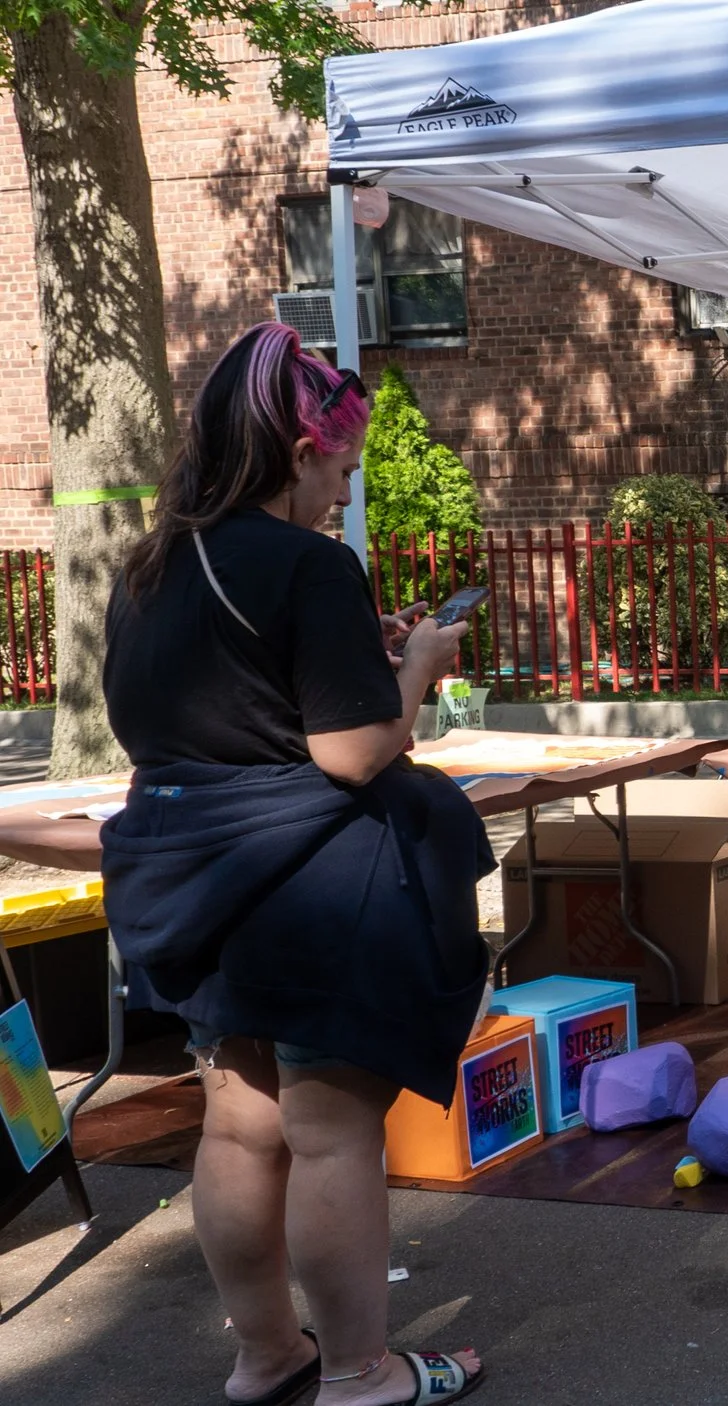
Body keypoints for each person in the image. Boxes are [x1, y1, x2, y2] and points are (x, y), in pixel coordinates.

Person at [98, 323, 486, 1406]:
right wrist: (415, 667)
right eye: (342, 472)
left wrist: (358, 659)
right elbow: (353, 752)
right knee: (330, 1133)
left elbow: (205, 716)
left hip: (193, 882)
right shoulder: (312, 565)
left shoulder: (148, 568)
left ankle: (267, 1353)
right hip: (316, 886)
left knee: (237, 1126)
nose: (341, 497)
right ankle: (360, 1371)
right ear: (299, 451)